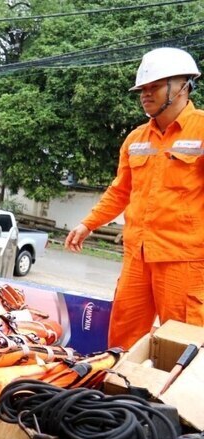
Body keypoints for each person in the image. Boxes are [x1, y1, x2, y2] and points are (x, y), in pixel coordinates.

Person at [65, 47, 204, 350]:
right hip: (137, 258)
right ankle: (119, 394)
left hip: (184, 261)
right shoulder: (136, 139)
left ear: (182, 86)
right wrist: (88, 224)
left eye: (154, 86)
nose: (145, 94)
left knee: (183, 346)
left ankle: (175, 399)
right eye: (142, 88)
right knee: (122, 339)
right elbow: (120, 191)